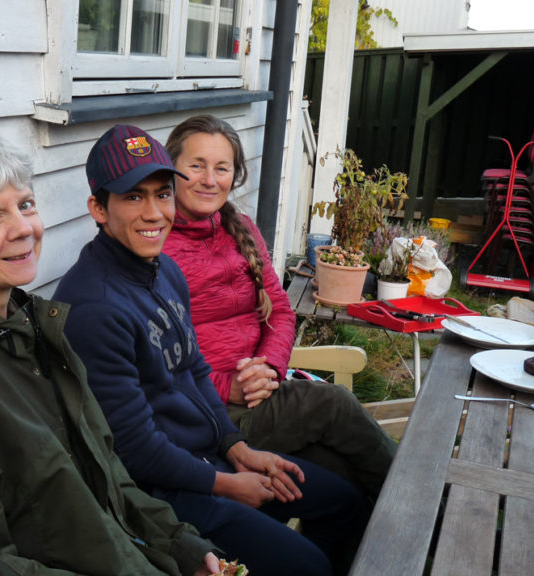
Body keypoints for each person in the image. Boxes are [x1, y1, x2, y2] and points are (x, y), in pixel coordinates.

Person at [0, 128, 318, 576]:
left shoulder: (27, 325)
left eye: (25, 205)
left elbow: (104, 471)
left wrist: (183, 550)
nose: (23, 230)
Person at [54, 124, 366, 576]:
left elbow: (194, 369)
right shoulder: (95, 306)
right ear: (98, 209)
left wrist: (239, 448)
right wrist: (228, 484)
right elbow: (135, 450)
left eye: (161, 193)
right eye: (133, 197)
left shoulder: (161, 270)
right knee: (307, 570)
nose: (155, 213)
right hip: (167, 493)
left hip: (211, 456)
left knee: (338, 499)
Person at [162, 114, 397, 500]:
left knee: (339, 473)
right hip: (211, 411)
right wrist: (228, 388)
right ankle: (421, 501)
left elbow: (282, 313)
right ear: (171, 170)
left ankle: (371, 549)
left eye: (222, 168)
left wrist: (269, 367)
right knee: (334, 403)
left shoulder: (240, 228)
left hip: (262, 391)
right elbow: (160, 359)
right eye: (196, 166)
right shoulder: (159, 244)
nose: (209, 179)